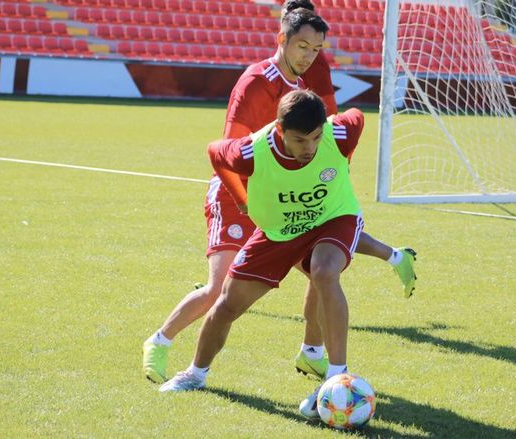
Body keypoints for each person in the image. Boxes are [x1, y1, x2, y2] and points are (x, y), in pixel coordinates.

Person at [143, 5, 416, 384]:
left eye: (316, 48)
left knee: (322, 273)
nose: (309, 55)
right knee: (220, 291)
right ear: (282, 39)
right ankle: (162, 342)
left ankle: (314, 354)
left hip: (290, 197)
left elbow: (341, 120)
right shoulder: (258, 82)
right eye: (302, 46)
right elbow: (227, 146)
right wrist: (244, 200)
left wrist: (328, 172)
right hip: (242, 191)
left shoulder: (307, 81)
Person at [159, 90, 367, 421]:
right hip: (278, 231)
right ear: (280, 131)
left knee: (324, 271)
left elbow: (357, 115)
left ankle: (336, 379)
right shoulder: (250, 151)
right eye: (300, 141)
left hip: (333, 218)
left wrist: (345, 161)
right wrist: (241, 198)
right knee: (227, 305)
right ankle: (195, 374)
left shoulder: (338, 133)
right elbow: (215, 153)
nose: (310, 148)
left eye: (315, 138)